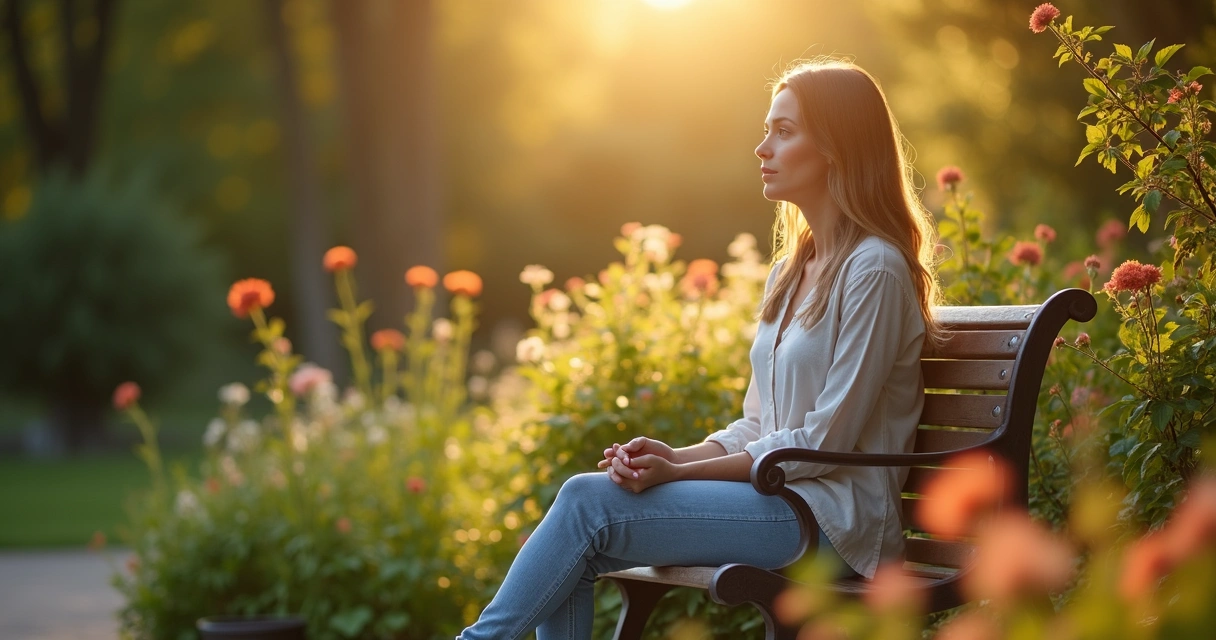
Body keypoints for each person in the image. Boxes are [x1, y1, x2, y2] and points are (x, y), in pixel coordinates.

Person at [456, 57, 945, 640]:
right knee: (582, 526)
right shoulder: (793, 272)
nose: (762, 148)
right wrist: (676, 457)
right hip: (785, 503)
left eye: (784, 132)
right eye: (768, 129)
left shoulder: (875, 270)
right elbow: (756, 425)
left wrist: (673, 474)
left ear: (838, 149)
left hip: (836, 525)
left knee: (588, 504)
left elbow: (824, 443)